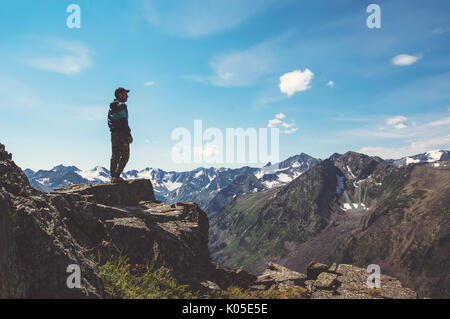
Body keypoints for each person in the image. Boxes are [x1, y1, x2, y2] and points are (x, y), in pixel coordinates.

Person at [108, 87, 133, 183]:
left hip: (114, 134)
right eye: (125, 94)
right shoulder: (121, 106)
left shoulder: (112, 106)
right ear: (120, 95)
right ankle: (117, 176)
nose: (127, 96)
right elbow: (123, 121)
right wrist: (128, 134)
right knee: (125, 155)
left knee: (115, 155)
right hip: (122, 134)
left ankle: (113, 176)